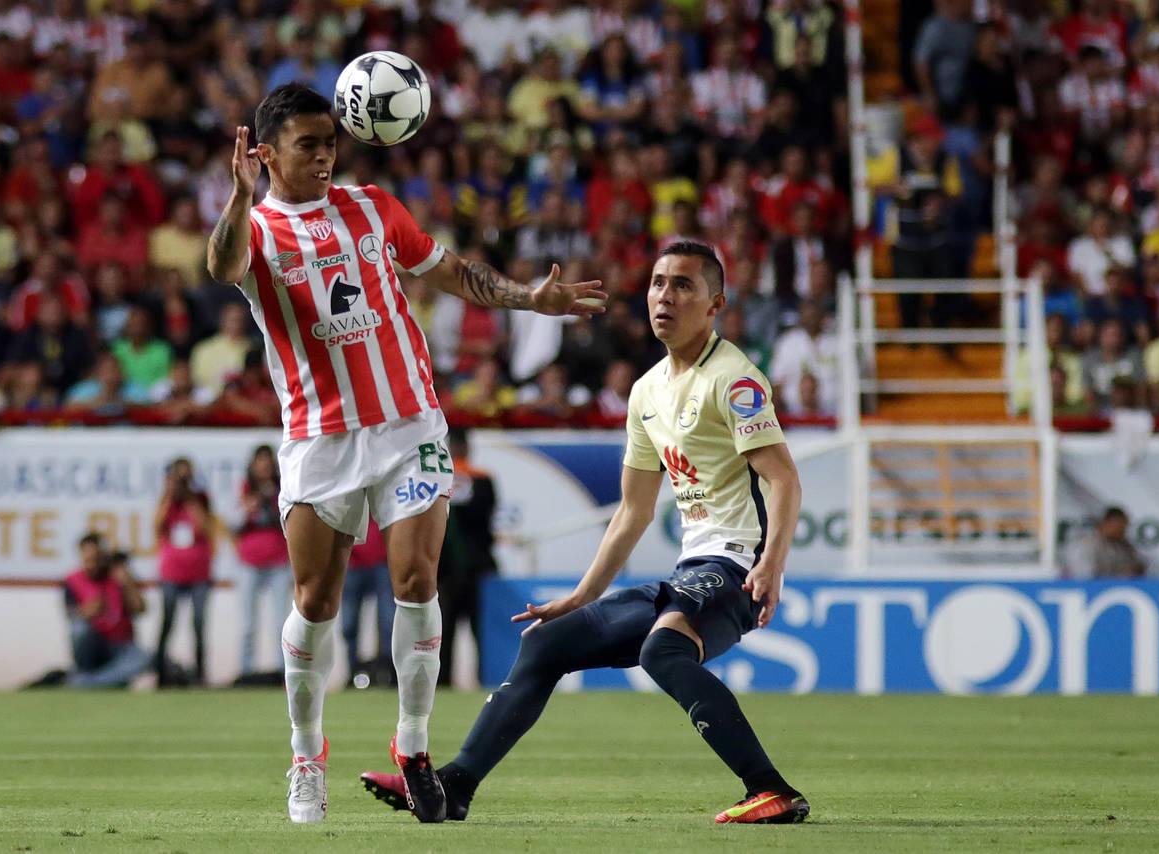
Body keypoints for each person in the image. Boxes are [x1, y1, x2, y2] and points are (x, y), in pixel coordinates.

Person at [204, 83, 604, 824]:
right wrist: (238, 196)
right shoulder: (254, 229)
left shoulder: (373, 207)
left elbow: (449, 270)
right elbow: (222, 267)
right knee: (314, 603)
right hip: (319, 439)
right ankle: (306, 754)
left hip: (408, 425)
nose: (323, 157)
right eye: (306, 145)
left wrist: (528, 298)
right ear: (265, 154)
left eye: (330, 143)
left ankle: (413, 746)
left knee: (418, 580)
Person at [360, 241, 809, 825]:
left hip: (737, 566)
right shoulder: (647, 392)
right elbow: (632, 511)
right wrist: (581, 597)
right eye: (658, 283)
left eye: (683, 285)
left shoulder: (735, 379)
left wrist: (771, 564)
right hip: (693, 571)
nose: (665, 296)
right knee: (547, 643)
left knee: (663, 649)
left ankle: (772, 790)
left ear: (715, 304)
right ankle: (455, 784)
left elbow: (783, 479)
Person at [437, 428, 497, 688]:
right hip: (476, 567)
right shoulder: (482, 479)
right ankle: (486, 680)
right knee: (480, 630)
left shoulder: (441, 480)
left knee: (446, 630)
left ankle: (444, 683)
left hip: (447, 570)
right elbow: (487, 518)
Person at [153, 456, 214, 687]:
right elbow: (157, 527)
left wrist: (191, 500)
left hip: (198, 573)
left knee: (198, 624)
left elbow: (205, 528)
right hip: (171, 573)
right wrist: (170, 495)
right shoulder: (166, 501)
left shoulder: (200, 499)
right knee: (167, 622)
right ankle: (161, 673)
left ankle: (200, 674)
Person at [234, 445, 291, 677]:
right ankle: (246, 671)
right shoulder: (245, 489)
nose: (264, 469)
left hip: (278, 561)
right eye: (260, 464)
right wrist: (250, 505)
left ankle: (284, 671)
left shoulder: (284, 488)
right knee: (247, 623)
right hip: (249, 562)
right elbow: (231, 523)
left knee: (281, 622)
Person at [64, 537, 150, 688]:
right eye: (88, 560)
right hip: (94, 645)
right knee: (78, 629)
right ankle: (105, 680)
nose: (93, 564)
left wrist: (128, 585)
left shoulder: (118, 576)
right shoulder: (73, 580)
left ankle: (85, 682)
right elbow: (71, 616)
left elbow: (140, 609)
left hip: (120, 645)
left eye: (97, 559)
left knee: (143, 659)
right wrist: (89, 610)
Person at [340, 519, 395, 687]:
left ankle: (389, 673)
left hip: (383, 560)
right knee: (349, 624)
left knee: (388, 623)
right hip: (353, 562)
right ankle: (352, 671)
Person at [1064, 507, 1147, 578]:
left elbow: (1134, 566)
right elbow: (1083, 576)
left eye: (1125, 527)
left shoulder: (1121, 545)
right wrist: (1118, 578)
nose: (1123, 531)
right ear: (1107, 523)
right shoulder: (1086, 543)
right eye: (1120, 527)